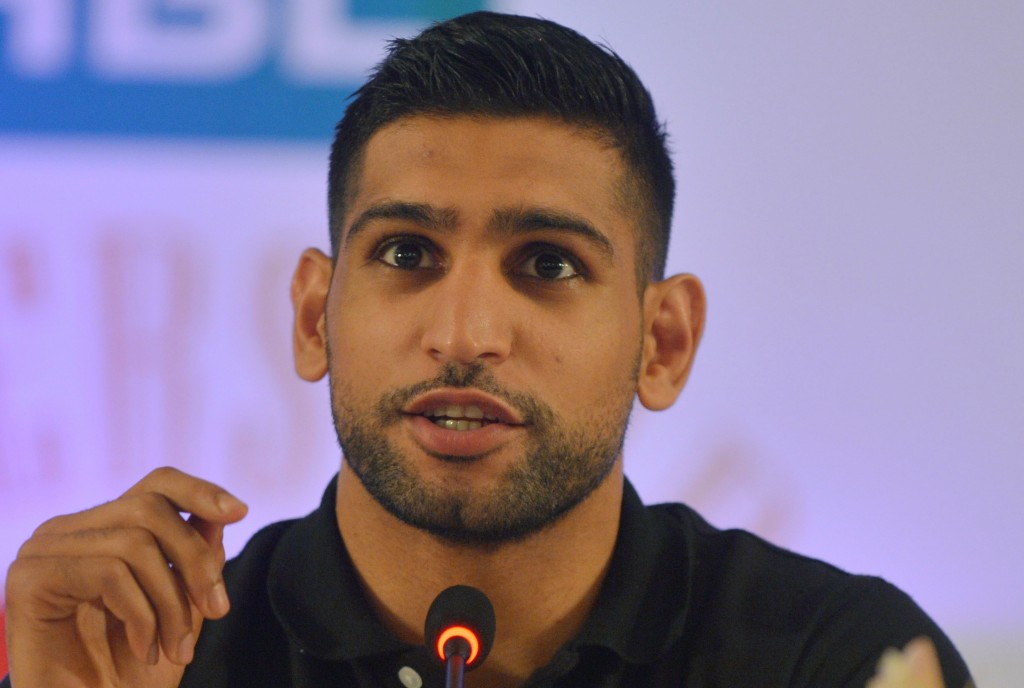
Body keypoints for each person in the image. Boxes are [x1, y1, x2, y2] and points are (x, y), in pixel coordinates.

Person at [2, 11, 972, 688]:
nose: (464, 333)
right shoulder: (152, 661)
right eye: (407, 252)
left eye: (546, 264)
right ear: (313, 316)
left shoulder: (834, 662)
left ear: (662, 340)